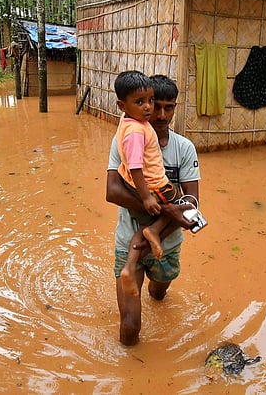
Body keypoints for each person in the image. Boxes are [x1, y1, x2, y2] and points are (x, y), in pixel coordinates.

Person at [106, 74, 200, 346]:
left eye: (167, 107)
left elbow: (193, 202)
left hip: (167, 245)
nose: (159, 114)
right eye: (153, 105)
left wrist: (167, 214)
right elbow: (112, 191)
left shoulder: (184, 148)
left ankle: (153, 251)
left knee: (159, 294)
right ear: (129, 106)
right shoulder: (127, 137)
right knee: (130, 326)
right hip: (128, 242)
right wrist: (165, 210)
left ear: (174, 107)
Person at [112, 71, 185, 294]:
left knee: (147, 227)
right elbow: (135, 165)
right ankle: (152, 234)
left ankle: (131, 266)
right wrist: (145, 197)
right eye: (141, 102)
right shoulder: (136, 131)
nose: (150, 109)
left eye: (150, 101)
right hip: (153, 185)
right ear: (122, 105)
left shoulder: (129, 124)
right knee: (179, 205)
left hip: (137, 185)